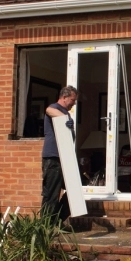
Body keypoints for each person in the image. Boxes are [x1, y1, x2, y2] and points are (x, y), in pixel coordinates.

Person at [41, 85, 78, 224]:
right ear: (64, 97)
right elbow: (48, 110)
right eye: (72, 100)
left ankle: (56, 221)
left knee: (74, 191)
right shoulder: (54, 108)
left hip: (65, 157)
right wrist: (64, 118)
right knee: (51, 193)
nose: (74, 103)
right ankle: (45, 227)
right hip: (53, 157)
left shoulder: (67, 113)